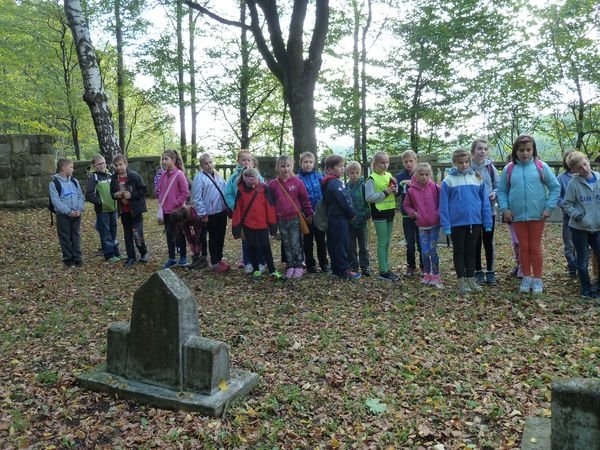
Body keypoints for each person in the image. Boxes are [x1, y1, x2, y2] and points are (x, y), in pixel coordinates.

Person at [497, 135, 560, 294]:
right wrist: (505, 209)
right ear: (515, 151)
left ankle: (537, 279)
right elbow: (502, 191)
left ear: (533, 150)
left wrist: (549, 207)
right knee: (523, 247)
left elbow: (555, 187)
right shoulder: (509, 169)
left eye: (528, 150)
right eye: (521, 150)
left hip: (537, 215)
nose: (525, 153)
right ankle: (526, 277)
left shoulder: (541, 166)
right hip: (517, 215)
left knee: (535, 247)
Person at [440, 148, 493, 293]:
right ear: (454, 163)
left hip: (474, 222)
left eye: (466, 162)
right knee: (459, 251)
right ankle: (461, 280)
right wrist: (446, 225)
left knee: (472, 251)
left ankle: (471, 279)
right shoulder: (448, 181)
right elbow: (443, 205)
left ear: (469, 162)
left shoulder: (477, 178)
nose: (463, 165)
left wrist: (487, 222)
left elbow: (485, 202)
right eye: (460, 163)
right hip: (456, 224)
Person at [231, 167, 282, 281]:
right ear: (244, 179)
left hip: (262, 225)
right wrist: (236, 227)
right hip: (248, 225)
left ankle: (272, 270)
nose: (251, 181)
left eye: (253, 178)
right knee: (252, 247)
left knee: (266, 247)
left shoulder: (264, 188)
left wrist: (272, 225)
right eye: (248, 178)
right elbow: (237, 210)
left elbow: (269, 207)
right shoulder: (241, 191)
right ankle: (256, 270)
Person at [268, 155, 313, 279]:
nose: (285, 169)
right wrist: (272, 220)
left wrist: (309, 212)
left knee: (295, 242)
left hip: (294, 218)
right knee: (286, 243)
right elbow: (270, 203)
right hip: (281, 218)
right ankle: (290, 265)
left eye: (288, 166)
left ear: (292, 166)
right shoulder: (273, 184)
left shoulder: (297, 182)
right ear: (278, 167)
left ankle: (299, 265)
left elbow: (305, 199)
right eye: (282, 166)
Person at [563, 151, 600, 299]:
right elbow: (567, 204)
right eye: (579, 167)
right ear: (574, 170)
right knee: (583, 259)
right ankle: (586, 288)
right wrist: (576, 214)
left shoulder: (599, 179)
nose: (584, 169)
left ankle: (598, 286)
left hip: (597, 226)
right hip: (580, 227)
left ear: (588, 161)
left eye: (585, 164)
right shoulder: (574, 184)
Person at [322, 155, 361, 280]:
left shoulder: (328, 181)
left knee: (334, 243)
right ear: (330, 169)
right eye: (339, 166)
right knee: (341, 244)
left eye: (343, 166)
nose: (342, 168)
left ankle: (336, 269)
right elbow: (344, 200)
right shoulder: (334, 183)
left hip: (333, 217)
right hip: (339, 218)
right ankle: (344, 270)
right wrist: (352, 213)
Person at [403, 163, 442, 288]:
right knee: (424, 251)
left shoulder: (436, 188)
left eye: (427, 174)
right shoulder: (411, 191)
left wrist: (437, 213)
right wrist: (414, 213)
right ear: (416, 175)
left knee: (432, 250)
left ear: (430, 174)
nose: (424, 177)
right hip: (421, 225)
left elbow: (442, 202)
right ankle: (427, 273)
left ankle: (436, 274)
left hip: (435, 224)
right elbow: (406, 205)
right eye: (421, 174)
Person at [225, 149, 263, 274]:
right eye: (243, 160)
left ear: (252, 161)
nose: (246, 162)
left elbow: (263, 189)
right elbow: (228, 194)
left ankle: (260, 262)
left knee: (258, 239)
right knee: (246, 239)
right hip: (243, 214)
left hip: (256, 213)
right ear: (238, 161)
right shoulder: (234, 178)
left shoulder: (257, 175)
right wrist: (235, 207)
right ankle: (248, 262)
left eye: (249, 160)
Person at [191, 153, 230, 273]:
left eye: (210, 162)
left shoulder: (218, 175)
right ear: (201, 166)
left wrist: (227, 205)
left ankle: (219, 257)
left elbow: (225, 189)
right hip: (210, 213)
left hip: (221, 210)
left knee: (221, 235)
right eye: (206, 163)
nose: (209, 165)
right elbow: (197, 197)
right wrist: (203, 213)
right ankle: (214, 262)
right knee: (213, 237)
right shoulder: (199, 178)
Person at [366, 151, 399, 282]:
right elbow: (369, 197)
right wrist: (385, 192)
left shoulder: (389, 175)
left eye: (387, 162)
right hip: (379, 213)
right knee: (382, 242)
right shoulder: (371, 179)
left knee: (387, 242)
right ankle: (383, 271)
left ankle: (386, 268)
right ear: (375, 164)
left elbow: (394, 193)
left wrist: (396, 188)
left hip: (390, 212)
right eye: (382, 163)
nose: (385, 165)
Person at [470, 139, 500, 285]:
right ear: (473, 151)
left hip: (489, 211)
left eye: (485, 149)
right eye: (479, 148)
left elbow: (498, 185)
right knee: (475, 241)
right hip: (473, 212)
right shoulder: (468, 167)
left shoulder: (490, 168)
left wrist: (494, 193)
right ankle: (478, 271)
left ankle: (490, 271)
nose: (482, 151)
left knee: (488, 241)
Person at [110, 154, 148, 267]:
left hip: (135, 211)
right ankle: (131, 257)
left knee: (137, 233)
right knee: (127, 235)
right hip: (124, 211)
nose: (118, 167)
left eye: (120, 164)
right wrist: (115, 195)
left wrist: (131, 195)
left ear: (126, 164)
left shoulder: (134, 176)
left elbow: (143, 190)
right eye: (116, 165)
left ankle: (143, 252)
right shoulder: (114, 179)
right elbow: (112, 193)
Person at [297, 151, 330, 273]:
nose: (308, 164)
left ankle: (324, 263)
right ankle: (310, 264)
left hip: (319, 214)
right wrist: (305, 212)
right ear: (301, 163)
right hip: (307, 215)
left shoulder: (319, 176)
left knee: (321, 240)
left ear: (314, 163)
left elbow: (325, 192)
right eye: (305, 162)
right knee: (308, 240)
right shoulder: (298, 179)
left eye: (310, 162)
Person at [85, 154, 121, 263]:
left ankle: (116, 252)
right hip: (102, 210)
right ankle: (109, 255)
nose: (101, 165)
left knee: (113, 231)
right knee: (105, 232)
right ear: (94, 166)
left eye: (103, 163)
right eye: (99, 164)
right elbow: (89, 194)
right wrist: (99, 202)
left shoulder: (110, 175)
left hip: (113, 208)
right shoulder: (94, 177)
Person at [49, 158, 84, 268]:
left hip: (76, 214)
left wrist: (79, 209)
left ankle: (77, 257)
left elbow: (80, 196)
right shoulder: (54, 184)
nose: (73, 169)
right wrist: (68, 212)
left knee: (76, 235)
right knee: (65, 237)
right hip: (63, 216)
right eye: (71, 167)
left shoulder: (75, 182)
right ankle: (68, 259)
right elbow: (56, 201)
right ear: (64, 168)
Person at [158, 149, 190, 269]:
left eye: (166, 159)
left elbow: (185, 192)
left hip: (177, 212)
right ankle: (171, 258)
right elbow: (161, 190)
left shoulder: (179, 174)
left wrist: (176, 203)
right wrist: (161, 200)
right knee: (169, 235)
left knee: (179, 234)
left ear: (173, 160)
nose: (163, 161)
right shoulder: (163, 175)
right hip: (166, 210)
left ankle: (183, 257)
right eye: (162, 159)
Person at [396, 150, 422, 277]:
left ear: (416, 161)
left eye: (411, 161)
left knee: (421, 242)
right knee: (410, 243)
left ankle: (424, 266)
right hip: (406, 214)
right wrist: (400, 184)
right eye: (406, 162)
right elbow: (397, 192)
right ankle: (411, 266)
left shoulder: (421, 174)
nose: (409, 164)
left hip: (420, 213)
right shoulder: (400, 176)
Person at [346, 161, 371, 276]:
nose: (354, 175)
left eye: (357, 172)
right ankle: (353, 266)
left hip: (362, 221)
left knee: (363, 246)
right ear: (348, 174)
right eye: (352, 173)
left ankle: (365, 266)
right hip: (350, 221)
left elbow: (368, 201)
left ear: (360, 173)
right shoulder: (346, 187)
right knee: (351, 246)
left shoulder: (363, 186)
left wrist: (367, 213)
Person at [557, 150, 577, 278]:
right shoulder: (561, 178)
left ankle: (581, 267)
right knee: (569, 244)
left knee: (583, 245)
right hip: (568, 217)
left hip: (584, 217)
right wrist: (566, 206)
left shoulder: (584, 175)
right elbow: (557, 196)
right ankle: (572, 267)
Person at [169, 205, 207, 270]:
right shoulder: (183, 219)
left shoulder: (194, 216)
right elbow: (188, 233)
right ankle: (196, 259)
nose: (178, 225)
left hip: (204, 222)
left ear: (182, 220)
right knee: (194, 243)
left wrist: (197, 246)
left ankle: (203, 259)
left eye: (178, 223)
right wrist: (191, 244)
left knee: (202, 238)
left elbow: (197, 233)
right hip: (195, 224)